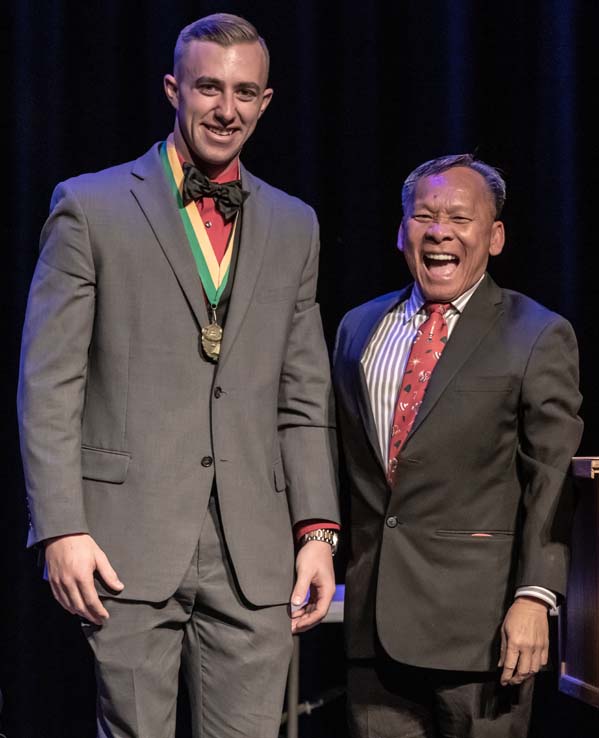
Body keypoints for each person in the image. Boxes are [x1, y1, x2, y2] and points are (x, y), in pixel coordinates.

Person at [18, 13, 340, 738]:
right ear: (173, 88)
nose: (226, 109)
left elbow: (303, 396)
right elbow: (49, 382)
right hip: (125, 543)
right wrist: (61, 526)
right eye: (208, 87)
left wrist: (317, 533)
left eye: (244, 92)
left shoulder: (295, 225)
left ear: (265, 101)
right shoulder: (90, 206)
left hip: (255, 552)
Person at [333, 154, 583, 737]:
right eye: (424, 215)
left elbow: (551, 476)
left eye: (459, 218)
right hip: (373, 631)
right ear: (402, 232)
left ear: (494, 237)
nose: (439, 230)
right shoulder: (356, 329)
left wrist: (536, 596)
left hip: (483, 637)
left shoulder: (537, 333)